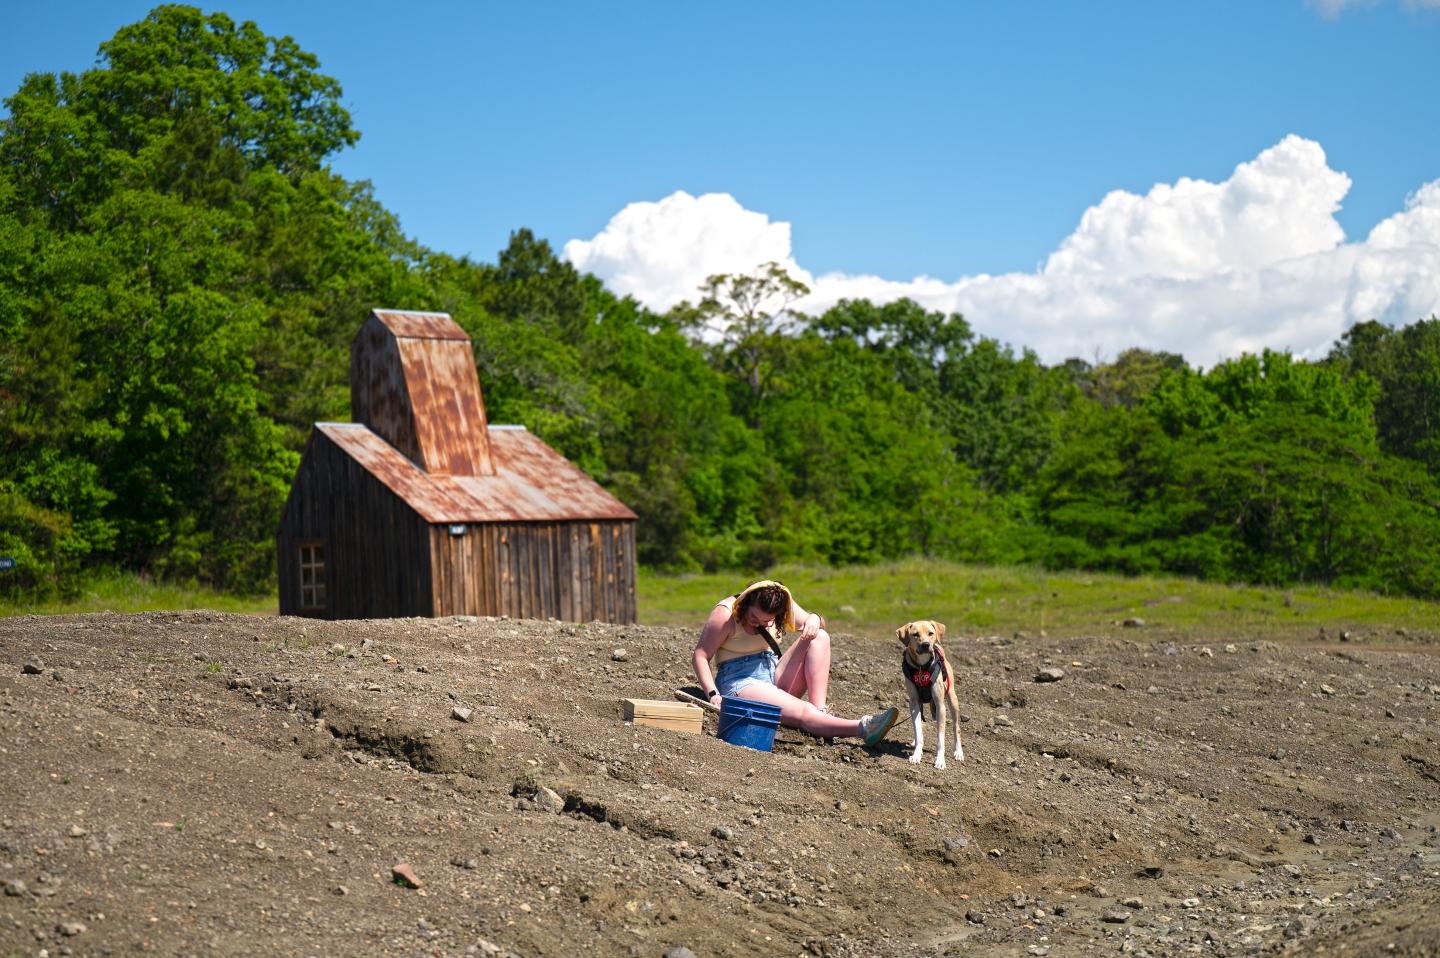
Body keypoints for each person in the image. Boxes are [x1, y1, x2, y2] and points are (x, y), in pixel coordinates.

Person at [691, 579, 898, 745]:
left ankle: (820, 713)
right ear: (746, 603)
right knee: (802, 711)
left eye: (766, 622)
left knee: (820, 637)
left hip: (772, 669)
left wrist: (815, 619)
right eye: (754, 617)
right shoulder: (725, 614)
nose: (758, 625)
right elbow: (700, 655)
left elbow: (813, 621)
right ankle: (863, 728)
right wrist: (712, 694)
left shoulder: (780, 602)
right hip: (740, 679)